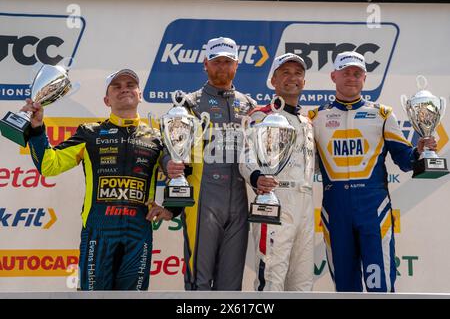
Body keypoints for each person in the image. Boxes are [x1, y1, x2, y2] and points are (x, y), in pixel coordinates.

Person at [21, 68, 181, 290]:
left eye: (130, 84)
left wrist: (172, 210)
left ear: (140, 94)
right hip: (99, 231)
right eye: (117, 86)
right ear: (107, 100)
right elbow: (49, 164)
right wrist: (37, 128)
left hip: (138, 234)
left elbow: (179, 174)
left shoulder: (157, 138)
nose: (124, 88)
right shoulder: (90, 133)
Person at [308, 51, 437, 292]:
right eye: (346, 73)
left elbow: (406, 161)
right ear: (333, 76)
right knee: (345, 287)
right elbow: (304, 163)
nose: (351, 78)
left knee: (381, 285)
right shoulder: (316, 117)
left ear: (365, 78)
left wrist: (420, 151)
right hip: (335, 210)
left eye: (357, 73)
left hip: (374, 208)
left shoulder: (382, 114)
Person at [162, 37, 256, 290]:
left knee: (231, 285)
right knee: (199, 281)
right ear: (206, 64)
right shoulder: (189, 104)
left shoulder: (249, 106)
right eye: (216, 62)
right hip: (203, 198)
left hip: (238, 199)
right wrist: (169, 163)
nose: (222, 67)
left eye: (228, 61)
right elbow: (168, 147)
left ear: (237, 65)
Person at [239, 53, 315, 291]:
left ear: (304, 81)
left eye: (298, 73)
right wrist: (257, 178)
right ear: (273, 80)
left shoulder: (307, 121)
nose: (292, 78)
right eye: (285, 72)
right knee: (271, 278)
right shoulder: (261, 116)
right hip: (275, 200)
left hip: (305, 201)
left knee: (302, 284)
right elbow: (245, 159)